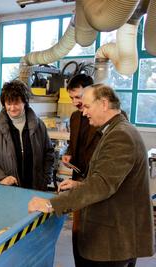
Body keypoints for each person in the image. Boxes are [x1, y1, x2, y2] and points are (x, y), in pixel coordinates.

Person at [28, 84, 155, 267]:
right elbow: (112, 180)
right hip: (114, 237)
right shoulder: (114, 130)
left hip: (112, 242)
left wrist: (51, 204)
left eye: (87, 106)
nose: (84, 112)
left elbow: (101, 185)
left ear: (104, 103)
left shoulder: (120, 135)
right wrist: (79, 185)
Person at [0, 80, 54, 190]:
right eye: (9, 104)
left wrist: (45, 178)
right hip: (7, 189)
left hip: (36, 187)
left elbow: (49, 153)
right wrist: (1, 178)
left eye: (16, 103)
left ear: (25, 102)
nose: (12, 108)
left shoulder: (39, 125)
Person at [62, 74, 101, 266]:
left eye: (78, 97)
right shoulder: (75, 117)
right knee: (78, 234)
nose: (76, 103)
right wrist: (69, 154)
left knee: (96, 234)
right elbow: (73, 143)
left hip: (97, 185)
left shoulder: (107, 119)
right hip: (78, 182)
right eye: (72, 98)